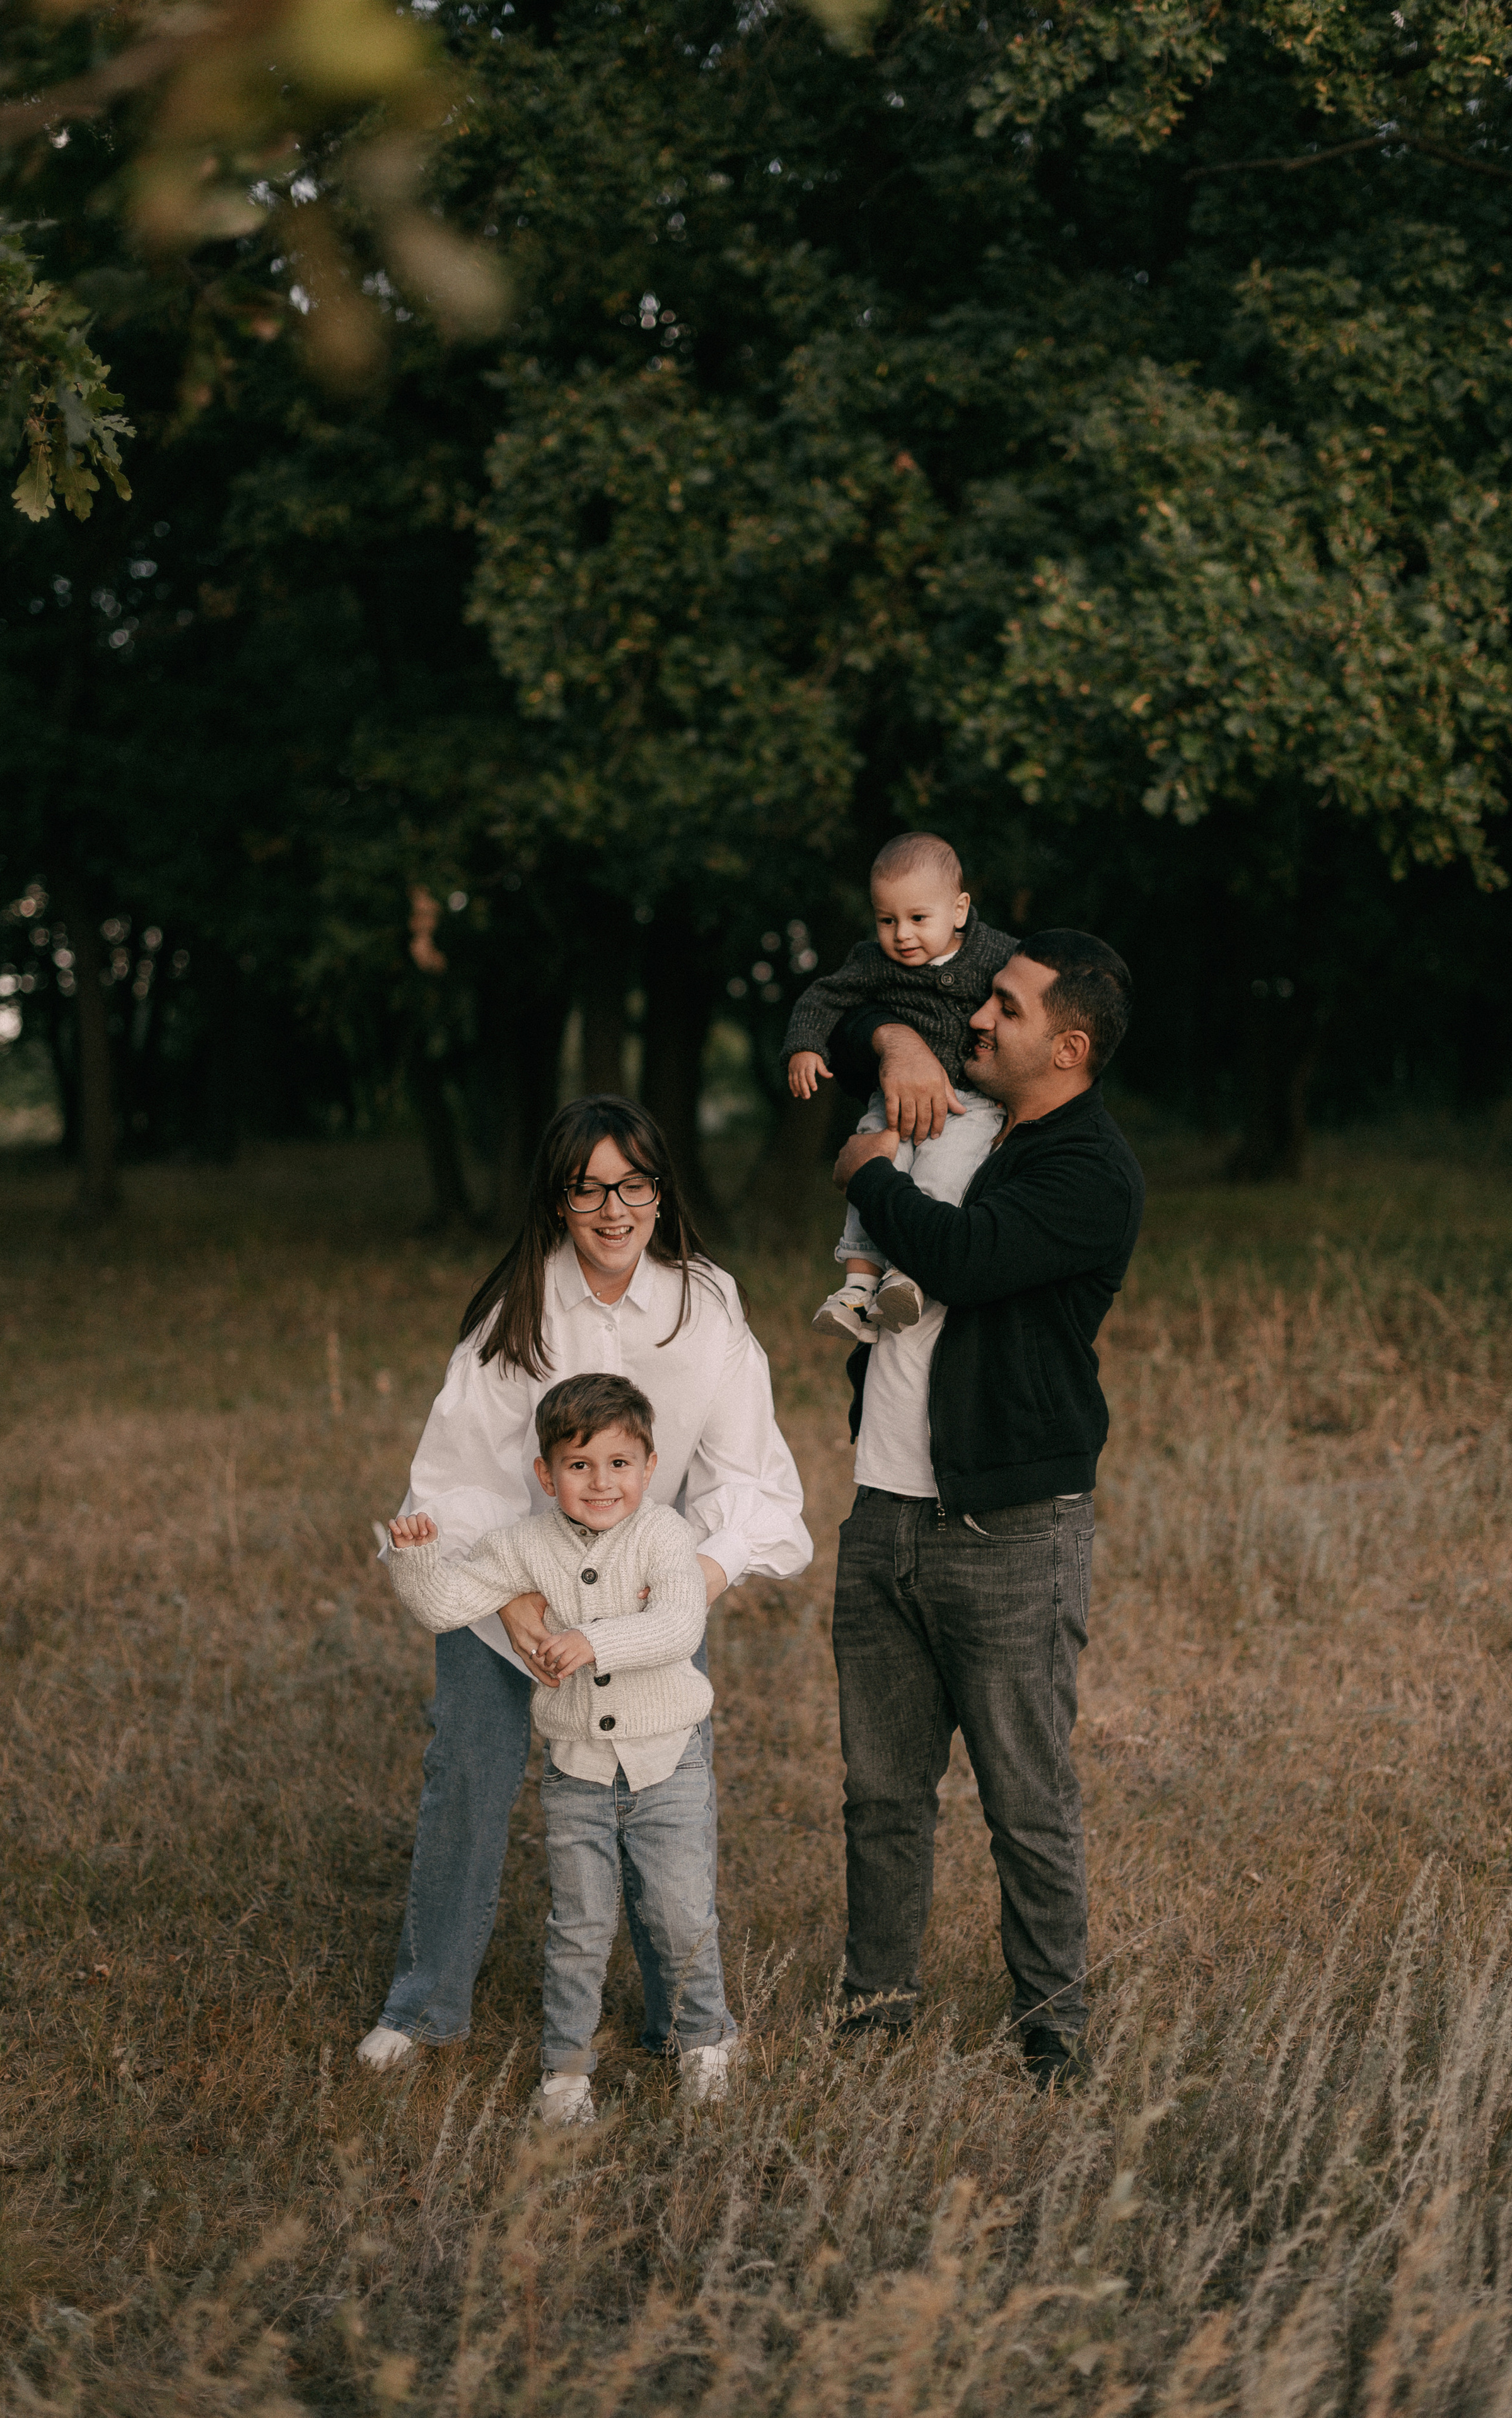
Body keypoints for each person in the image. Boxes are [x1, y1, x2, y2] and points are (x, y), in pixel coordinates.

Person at [356, 1096, 811, 2074]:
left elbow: (752, 1476)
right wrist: (512, 1601)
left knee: (656, 1803)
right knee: (469, 1776)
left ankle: (681, 2027)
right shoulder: (514, 1307)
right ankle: (427, 2005)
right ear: (558, 1199)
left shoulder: (705, 1304)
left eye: (634, 1184)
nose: (615, 1209)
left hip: (649, 1591)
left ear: (661, 1190)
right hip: (509, 1590)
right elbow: (452, 1480)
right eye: (589, 1187)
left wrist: (685, 1586)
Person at [825, 932, 1144, 2091]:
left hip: (1010, 1529)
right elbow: (853, 1007)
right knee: (881, 1789)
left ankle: (1053, 2030)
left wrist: (865, 1171)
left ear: (1069, 1044)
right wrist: (898, 1036)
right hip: (885, 1510)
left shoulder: (1089, 1172)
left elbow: (955, 1256)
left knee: (1026, 1795)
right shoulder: (958, 1113)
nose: (978, 1018)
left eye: (1001, 1008)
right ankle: (874, 2002)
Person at [385, 1374, 735, 2122]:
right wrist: (417, 1563)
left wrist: (592, 1641)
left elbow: (679, 1627)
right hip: (577, 1769)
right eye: (579, 1466)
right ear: (546, 1476)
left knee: (679, 1913)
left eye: (619, 1464)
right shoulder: (521, 1546)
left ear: (647, 1468)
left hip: (667, 1762)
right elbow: (448, 1606)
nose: (600, 1483)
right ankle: (566, 2071)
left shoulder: (666, 1536)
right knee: (578, 1926)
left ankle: (703, 2040)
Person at [781, 832, 1015, 1343]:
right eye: (887, 920)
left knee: (943, 1172)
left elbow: (1038, 999)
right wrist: (805, 1046)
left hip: (968, 1103)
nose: (902, 935)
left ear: (959, 910)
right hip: (889, 1099)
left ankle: (909, 1274)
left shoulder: (996, 953)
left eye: (917, 918)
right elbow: (822, 999)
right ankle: (858, 1287)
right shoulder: (872, 962)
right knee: (875, 1166)